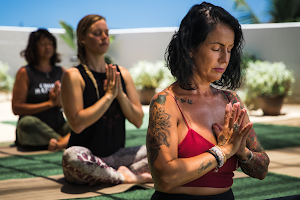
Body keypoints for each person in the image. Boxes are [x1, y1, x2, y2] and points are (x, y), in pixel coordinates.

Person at [146, 2, 270, 199]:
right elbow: (164, 178)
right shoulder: (166, 103)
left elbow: (262, 169)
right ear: (190, 49)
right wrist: (222, 152)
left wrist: (242, 151)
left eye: (229, 49)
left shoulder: (232, 101)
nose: (224, 58)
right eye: (216, 48)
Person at [60, 14, 152, 185]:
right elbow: (77, 124)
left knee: (160, 148)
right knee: (71, 157)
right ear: (82, 39)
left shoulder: (121, 74)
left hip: (118, 157)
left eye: (106, 32)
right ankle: (124, 176)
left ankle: (116, 175)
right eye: (97, 33)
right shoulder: (73, 76)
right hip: (87, 157)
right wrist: (108, 96)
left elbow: (138, 120)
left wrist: (119, 95)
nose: (104, 37)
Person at [12, 29, 70, 151]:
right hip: (35, 129)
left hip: (58, 126)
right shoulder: (25, 73)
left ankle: (59, 142)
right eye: (43, 44)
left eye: (51, 44)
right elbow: (17, 108)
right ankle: (63, 141)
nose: (48, 47)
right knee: (27, 123)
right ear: (34, 47)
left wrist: (60, 101)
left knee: (82, 122)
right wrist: (48, 104)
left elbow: (70, 104)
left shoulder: (61, 71)